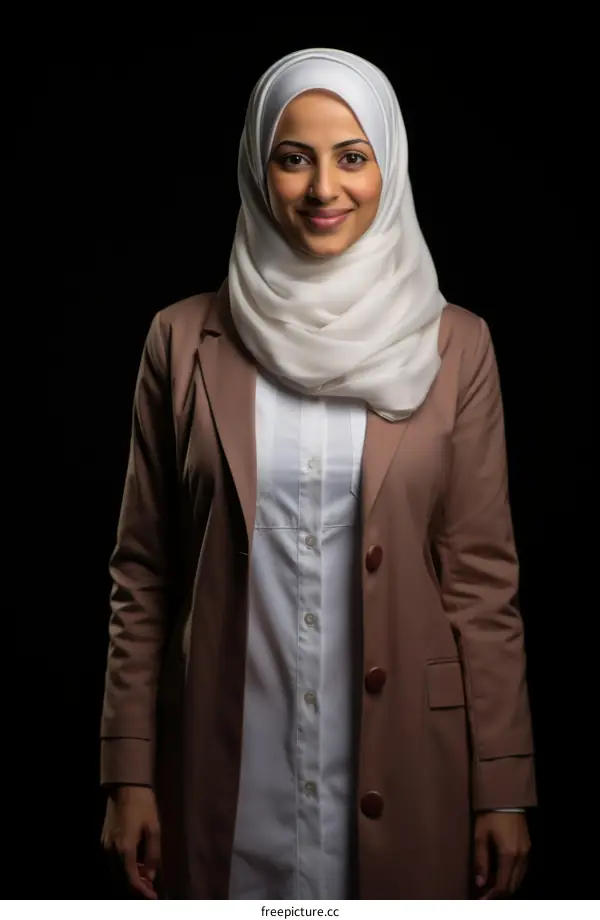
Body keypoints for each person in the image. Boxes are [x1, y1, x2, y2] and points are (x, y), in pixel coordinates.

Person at [100, 47, 536, 900]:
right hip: (229, 770)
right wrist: (128, 771)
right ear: (259, 167)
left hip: (412, 766)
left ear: (389, 165)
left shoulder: (456, 347)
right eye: (293, 157)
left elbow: (483, 583)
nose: (323, 188)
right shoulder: (181, 340)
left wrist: (507, 784)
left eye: (352, 157)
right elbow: (142, 575)